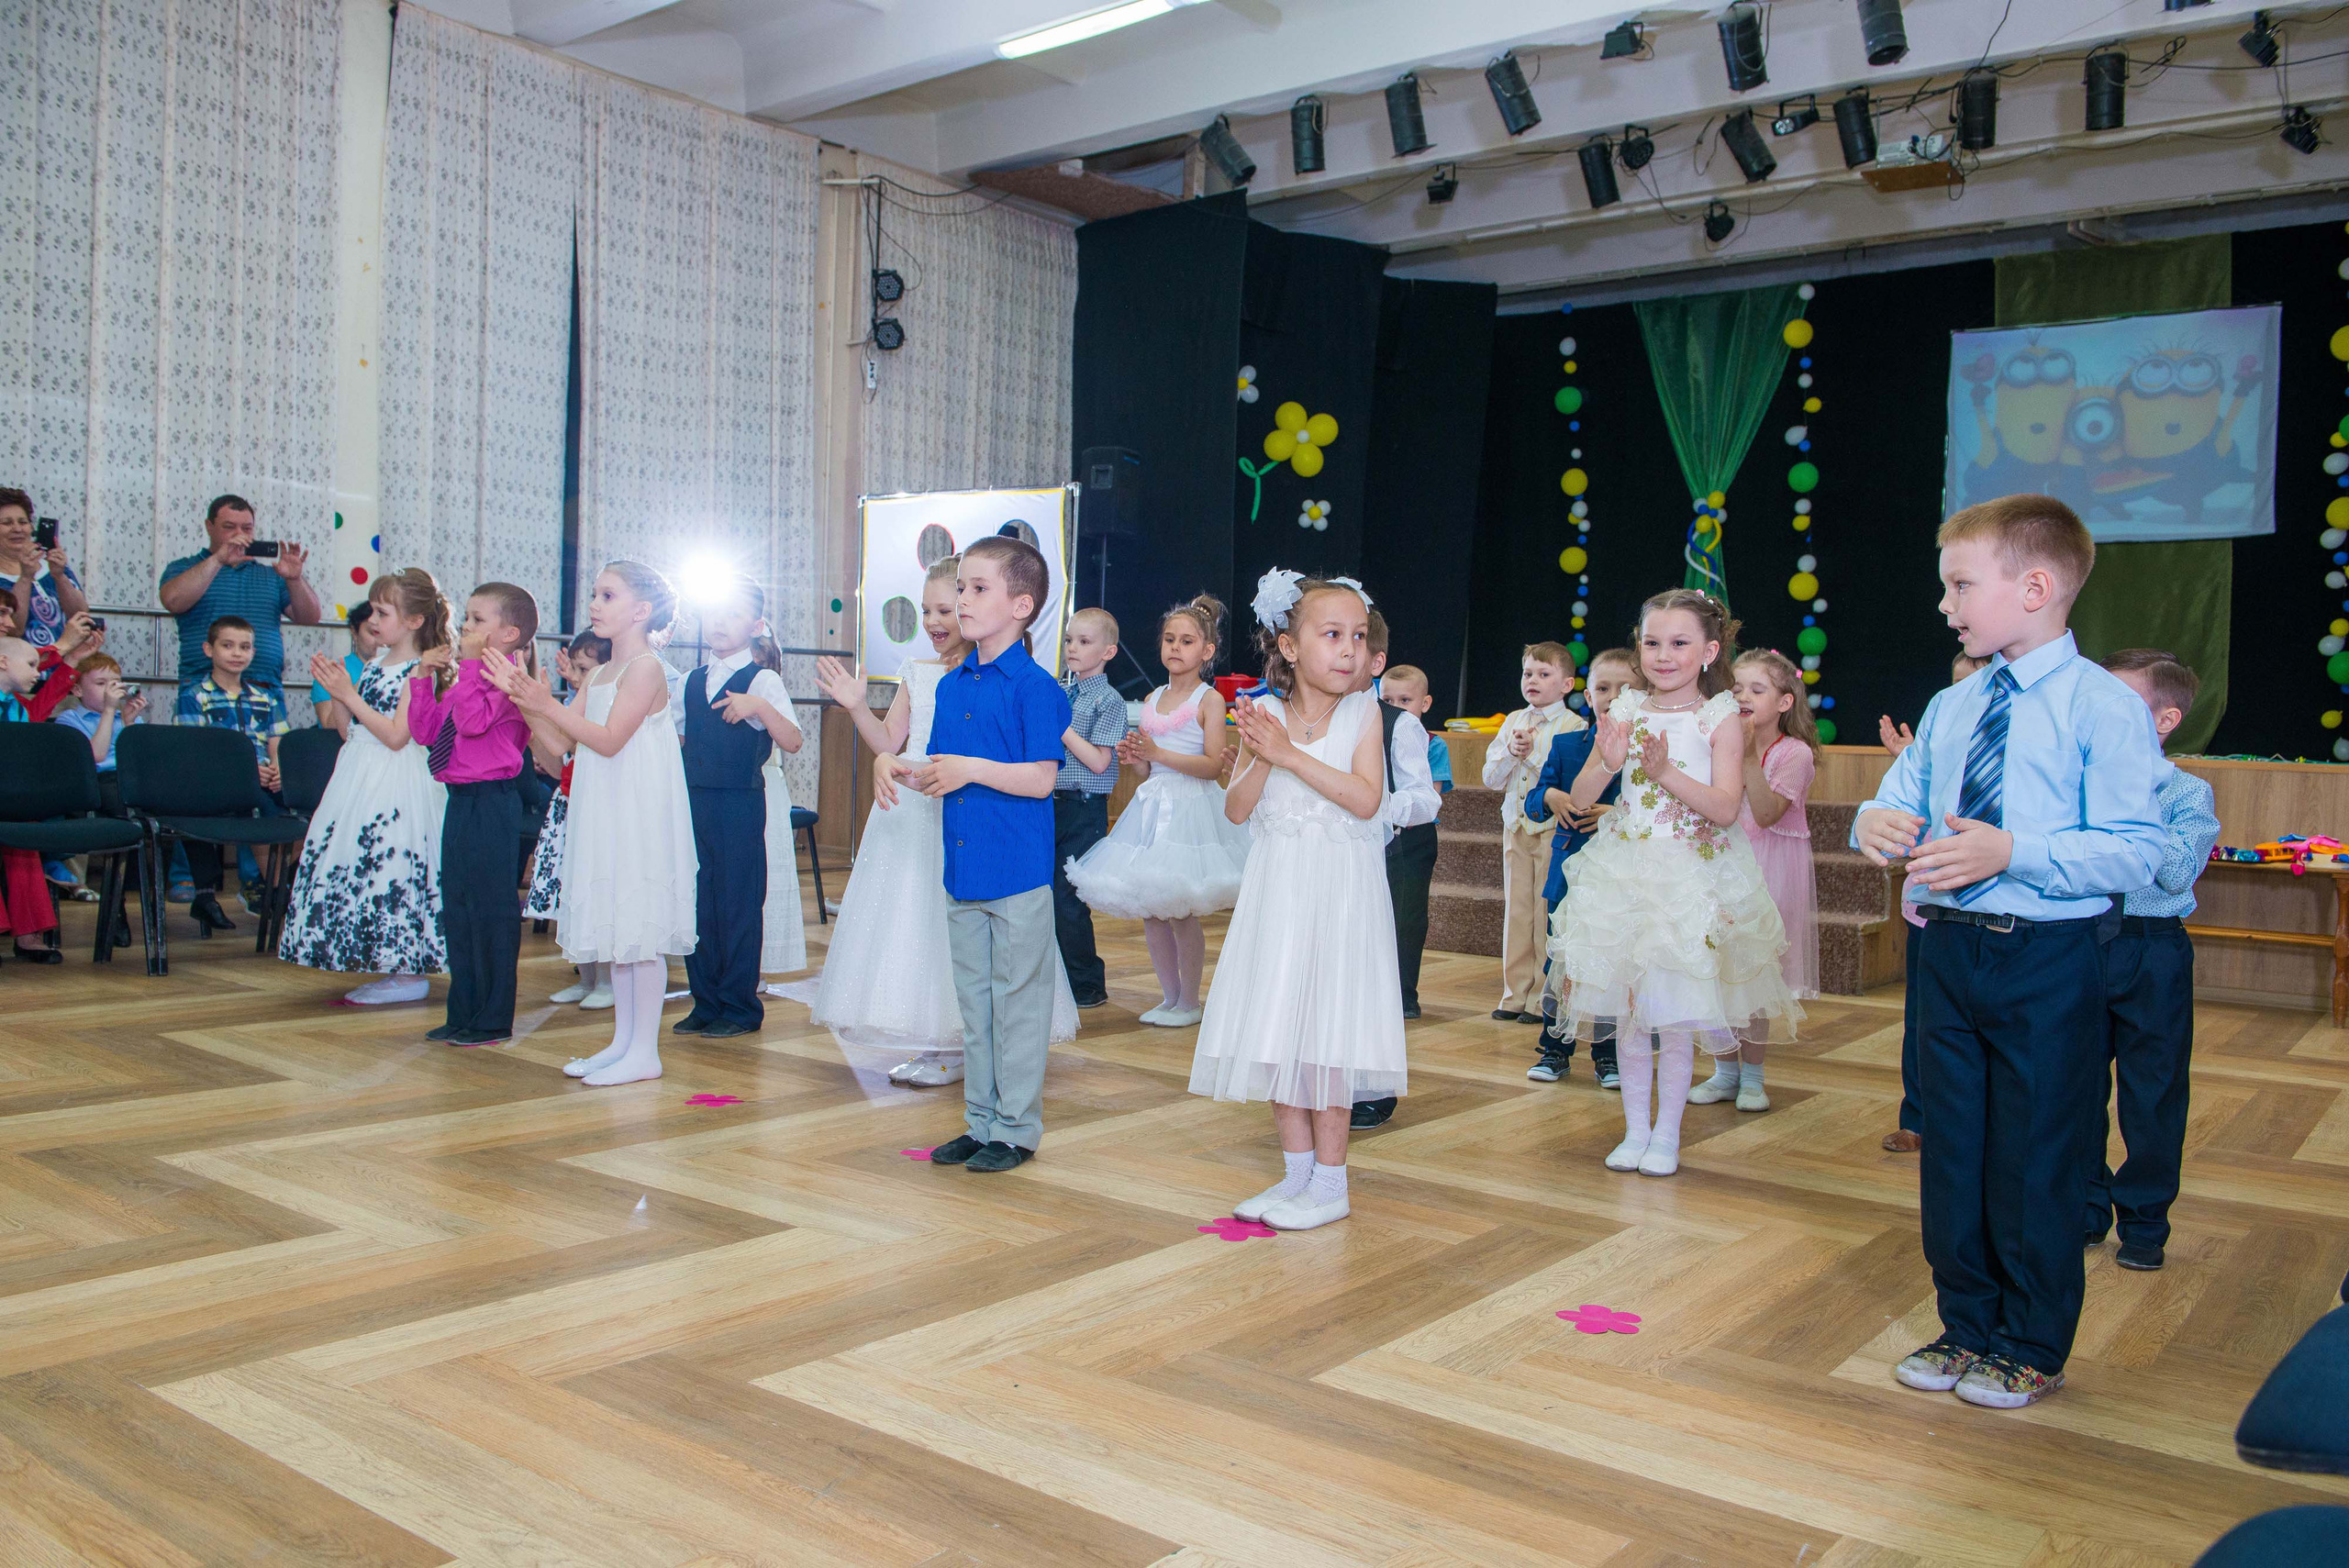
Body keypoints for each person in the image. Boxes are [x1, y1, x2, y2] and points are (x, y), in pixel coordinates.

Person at [1854, 494, 2165, 1410]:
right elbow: (1899, 792)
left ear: (2033, 588)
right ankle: (1966, 1322)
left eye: (1960, 584)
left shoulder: (2102, 707)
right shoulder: (1952, 704)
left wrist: (2013, 851)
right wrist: (1874, 817)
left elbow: (2136, 851)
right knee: (1951, 1146)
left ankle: (2030, 1340)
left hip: (2047, 957)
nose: (1945, 603)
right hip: (1948, 954)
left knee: (2035, 1151)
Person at [1547, 591, 1801, 1178]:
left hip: (1688, 877)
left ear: (1709, 652)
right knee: (1632, 1013)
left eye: (1679, 643)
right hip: (1626, 874)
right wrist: (1608, 763)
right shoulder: (1627, 708)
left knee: (1677, 1016)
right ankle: (1635, 1130)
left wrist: (1664, 773)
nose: (1663, 655)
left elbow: (1725, 807)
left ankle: (1666, 1136)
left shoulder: (1721, 718)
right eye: (1652, 642)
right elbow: (1582, 798)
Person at [808, 557, 1079, 1089]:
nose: (938, 619)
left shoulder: (1014, 683)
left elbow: (1038, 775)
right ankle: (942, 1046)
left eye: (950, 605)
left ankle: (970, 1059)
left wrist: (946, 769)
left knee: (969, 940)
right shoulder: (926, 675)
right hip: (920, 809)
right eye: (929, 609)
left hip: (977, 821)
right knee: (922, 930)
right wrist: (862, 715)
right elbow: (893, 745)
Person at [1192, 571, 1400, 1230]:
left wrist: (1289, 755)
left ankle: (1332, 1184)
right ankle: (1297, 1175)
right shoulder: (1268, 715)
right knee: (1278, 1028)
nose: (1349, 649)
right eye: (1332, 634)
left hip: (1340, 898)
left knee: (1326, 1036)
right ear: (1288, 646)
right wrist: (1263, 752)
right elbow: (1236, 809)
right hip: (1279, 895)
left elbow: (1365, 799)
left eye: (1358, 636)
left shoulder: (1364, 713)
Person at [488, 564, 696, 1084]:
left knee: (640, 932)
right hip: (604, 808)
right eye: (596, 594)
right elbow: (560, 745)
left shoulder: (645, 668)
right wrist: (524, 701)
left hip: (636, 812)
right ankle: (623, 1043)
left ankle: (644, 1052)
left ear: (641, 610)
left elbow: (608, 740)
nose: (595, 604)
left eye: (608, 595)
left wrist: (545, 703)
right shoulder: (601, 674)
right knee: (618, 931)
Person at [915, 535, 1072, 1173]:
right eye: (961, 588)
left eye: (979, 588)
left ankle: (1017, 1129)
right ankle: (980, 1121)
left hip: (1017, 873)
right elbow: (941, 768)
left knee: (1018, 1007)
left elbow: (1040, 779)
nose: (963, 600)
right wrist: (905, 771)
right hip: (964, 869)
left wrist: (972, 768)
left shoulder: (1036, 687)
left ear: (1021, 605)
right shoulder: (952, 687)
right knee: (975, 1008)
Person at [2085, 649, 2220, 1273]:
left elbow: (2175, 871)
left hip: (2151, 947)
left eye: (2123, 702)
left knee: (2154, 1091)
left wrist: (2133, 792)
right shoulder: (2076, 780)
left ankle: (2144, 1221)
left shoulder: (2187, 792)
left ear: (2165, 720)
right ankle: (2083, 1207)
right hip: (2081, 941)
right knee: (2072, 1085)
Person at [1064, 595, 1250, 1028]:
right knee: (1152, 908)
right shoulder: (1152, 697)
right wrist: (1137, 758)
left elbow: (1211, 767)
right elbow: (1147, 769)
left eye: (1186, 641)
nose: (1175, 648)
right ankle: (1168, 997)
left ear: (1206, 651)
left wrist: (1158, 754)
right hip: (1152, 808)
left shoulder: (1208, 700)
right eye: (1169, 639)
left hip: (1189, 809)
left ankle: (1189, 1000)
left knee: (1180, 909)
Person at [278, 569, 451, 1006]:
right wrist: (339, 692)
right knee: (361, 863)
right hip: (358, 772)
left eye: (382, 612)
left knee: (393, 864)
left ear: (414, 621)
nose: (372, 620)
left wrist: (350, 695)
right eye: (372, 610)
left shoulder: (419, 670)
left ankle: (408, 971)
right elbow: (347, 730)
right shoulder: (374, 664)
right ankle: (381, 960)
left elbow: (396, 736)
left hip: (395, 780)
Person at [1688, 649, 1822, 1112]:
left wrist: (1746, 756)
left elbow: (1765, 814)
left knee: (1754, 975)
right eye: (1737, 688)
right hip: (1719, 865)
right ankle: (1724, 1072)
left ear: (1784, 703)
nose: (1743, 696)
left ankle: (1753, 1078)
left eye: (1757, 689)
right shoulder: (1717, 742)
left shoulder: (1794, 754)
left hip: (1769, 871)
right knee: (1715, 970)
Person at [671, 573, 802, 1040]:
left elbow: (793, 740)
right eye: (713, 613)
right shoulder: (689, 681)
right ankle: (704, 1002)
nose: (719, 622)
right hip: (693, 802)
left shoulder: (763, 679)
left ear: (756, 625)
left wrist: (759, 709)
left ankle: (740, 1007)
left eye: (733, 614)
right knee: (698, 903)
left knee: (738, 903)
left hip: (740, 804)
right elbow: (677, 740)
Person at [408, 584, 538, 1048]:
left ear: (509, 634)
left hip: (493, 801)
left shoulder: (509, 679)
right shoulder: (468, 676)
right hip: (460, 800)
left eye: (477, 620)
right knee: (459, 908)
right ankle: (462, 1013)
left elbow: (472, 723)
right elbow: (426, 732)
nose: (465, 627)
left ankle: (492, 1018)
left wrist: (466, 667)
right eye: (466, 617)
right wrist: (423, 678)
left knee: (490, 912)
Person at [1878, 651, 1987, 1154]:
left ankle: (1972, 1120)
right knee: (1922, 1021)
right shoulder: (1936, 738)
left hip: (1987, 915)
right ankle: (1917, 1117)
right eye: (1956, 685)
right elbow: (1909, 814)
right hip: (1929, 910)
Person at [1523, 646, 1638, 1086]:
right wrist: (1551, 796)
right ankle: (1554, 1049)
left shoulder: (1647, 752)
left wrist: (1614, 813)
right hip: (1569, 871)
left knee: (1614, 966)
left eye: (1625, 689)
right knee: (1563, 963)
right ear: (1587, 697)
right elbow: (1535, 800)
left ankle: (1608, 1056)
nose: (1612, 697)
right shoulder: (1568, 744)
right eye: (1603, 688)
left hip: (1621, 876)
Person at [1482, 641, 1584, 1021]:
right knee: (1518, 912)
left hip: (1553, 830)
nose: (1533, 681)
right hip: (1516, 827)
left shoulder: (1573, 726)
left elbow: (1567, 783)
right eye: (1528, 673)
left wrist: (1533, 755)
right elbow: (1491, 778)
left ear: (1567, 684)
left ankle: (1544, 996)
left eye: (1544, 674)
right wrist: (1511, 751)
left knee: (1545, 912)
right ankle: (1514, 994)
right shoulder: (1512, 720)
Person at [174, 616, 291, 935]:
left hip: (262, 778)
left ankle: (278, 889)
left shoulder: (265, 697)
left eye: (245, 647)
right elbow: (195, 749)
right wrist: (247, 772)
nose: (237, 653)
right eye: (227, 645)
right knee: (261, 808)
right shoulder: (194, 696)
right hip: (216, 782)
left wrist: (278, 768)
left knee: (303, 805)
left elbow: (276, 741)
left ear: (253, 652)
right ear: (208, 649)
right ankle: (274, 892)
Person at [157, 495, 320, 699]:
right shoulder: (184, 568)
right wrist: (218, 559)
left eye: (247, 528)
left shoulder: (273, 575)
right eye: (229, 527)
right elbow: (172, 601)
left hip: (265, 688)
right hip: (202, 688)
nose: (239, 534)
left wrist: (295, 579)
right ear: (209, 527)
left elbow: (310, 617)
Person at [1052, 607, 1130, 1009]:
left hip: (1084, 809)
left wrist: (1061, 727)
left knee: (1069, 900)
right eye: (1069, 640)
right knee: (1047, 895)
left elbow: (1099, 762)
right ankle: (1057, 982)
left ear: (1108, 652)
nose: (1073, 648)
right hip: (1051, 804)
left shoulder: (1108, 700)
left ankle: (1087, 985)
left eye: (1084, 642)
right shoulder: (1063, 692)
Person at [530, 632, 612, 1008]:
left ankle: (608, 981)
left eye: (583, 669)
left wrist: (542, 709)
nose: (575, 678)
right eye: (574, 669)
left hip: (599, 807)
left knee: (600, 894)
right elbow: (555, 760)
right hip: (569, 806)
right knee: (575, 893)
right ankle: (586, 977)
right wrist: (530, 717)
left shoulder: (609, 707)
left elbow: (578, 743)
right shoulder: (575, 706)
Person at [1376, 658, 1445, 1022]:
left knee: (1408, 916)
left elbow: (1429, 798)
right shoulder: (1374, 728)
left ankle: (1405, 994)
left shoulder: (1433, 744)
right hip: (1381, 834)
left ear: (1425, 703)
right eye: (1388, 700)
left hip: (1415, 835)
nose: (1396, 708)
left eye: (1405, 701)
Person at [0, 635, 62, 962]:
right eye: (31, 665)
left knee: (24, 838)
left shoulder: (18, 709)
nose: (37, 673)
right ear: (3, 662)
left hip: (9, 795)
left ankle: (28, 932)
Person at [0, 488, 87, 649]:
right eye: (7, 523)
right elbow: (13, 629)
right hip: (20, 663)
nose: (17, 529)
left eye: (23, 522)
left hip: (66, 660)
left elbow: (80, 615)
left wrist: (59, 576)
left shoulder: (52, 566)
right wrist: (25, 577)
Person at [312, 605, 385, 734]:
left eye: (385, 633)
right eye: (373, 633)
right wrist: (368, 672)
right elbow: (330, 727)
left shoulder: (402, 669)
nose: (381, 641)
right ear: (354, 632)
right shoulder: (333, 672)